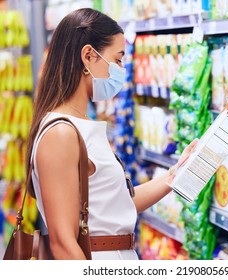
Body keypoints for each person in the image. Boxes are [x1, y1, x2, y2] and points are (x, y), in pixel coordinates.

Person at [26, 8, 198, 260]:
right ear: (88, 56)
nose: (121, 69)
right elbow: (63, 243)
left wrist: (177, 173)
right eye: (117, 60)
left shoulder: (82, 123)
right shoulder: (61, 133)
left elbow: (116, 206)